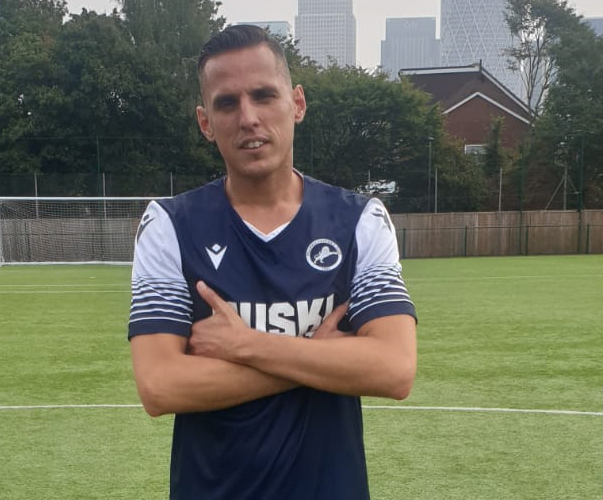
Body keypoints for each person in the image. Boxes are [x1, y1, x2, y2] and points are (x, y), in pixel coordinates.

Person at [128, 24, 417, 499]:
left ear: (296, 103)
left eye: (264, 96)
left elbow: (394, 369)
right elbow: (160, 387)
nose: (248, 118)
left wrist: (246, 345)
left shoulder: (360, 221)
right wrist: (321, 357)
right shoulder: (169, 225)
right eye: (227, 103)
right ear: (205, 122)